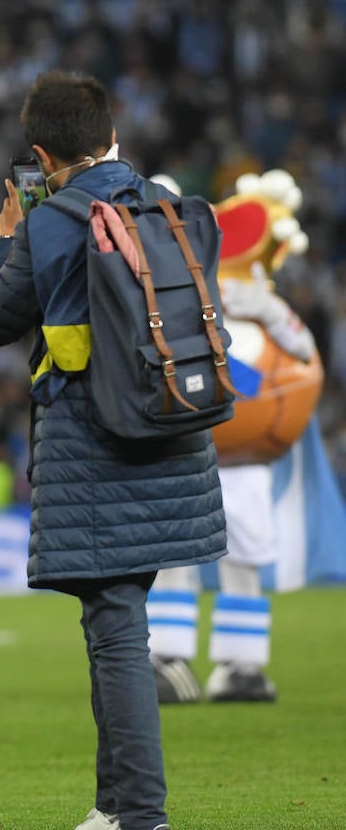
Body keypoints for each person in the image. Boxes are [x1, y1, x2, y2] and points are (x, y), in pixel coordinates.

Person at [0, 70, 226, 830]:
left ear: (42, 156)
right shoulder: (169, 206)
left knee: (115, 628)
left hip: (98, 447)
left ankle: (140, 815)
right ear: (111, 134)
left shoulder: (54, 222)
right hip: (176, 436)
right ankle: (114, 806)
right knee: (115, 617)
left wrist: (6, 236)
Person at [146, 175, 318, 705]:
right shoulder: (181, 292)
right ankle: (166, 660)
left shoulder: (265, 304)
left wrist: (269, 310)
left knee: (245, 557)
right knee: (175, 553)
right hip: (188, 442)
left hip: (247, 457)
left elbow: (305, 353)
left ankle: (241, 666)